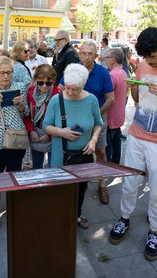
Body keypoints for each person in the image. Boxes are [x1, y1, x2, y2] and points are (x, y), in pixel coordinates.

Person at [109, 27, 157, 262]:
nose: (149, 60)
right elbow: (139, 100)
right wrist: (133, 90)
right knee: (129, 182)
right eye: (145, 57)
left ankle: (155, 231)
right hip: (138, 135)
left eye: (152, 56)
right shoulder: (141, 64)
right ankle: (124, 218)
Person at [43, 63, 103, 229]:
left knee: (80, 189)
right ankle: (59, 216)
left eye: (74, 89)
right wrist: (61, 132)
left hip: (83, 156)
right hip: (60, 156)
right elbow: (45, 125)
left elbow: (98, 124)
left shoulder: (91, 100)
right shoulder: (57, 100)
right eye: (67, 88)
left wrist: (93, 140)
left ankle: (76, 214)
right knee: (60, 189)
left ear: (84, 85)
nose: (69, 92)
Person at [59, 40, 114, 204]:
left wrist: (95, 114)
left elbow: (111, 98)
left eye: (90, 53)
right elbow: (61, 90)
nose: (86, 57)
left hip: (97, 117)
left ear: (96, 55)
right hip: (74, 116)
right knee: (75, 148)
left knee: (101, 151)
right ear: (79, 54)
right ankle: (75, 179)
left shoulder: (103, 72)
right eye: (83, 53)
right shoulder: (73, 70)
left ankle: (102, 182)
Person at [0, 56, 29, 231]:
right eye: (2, 72)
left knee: (14, 175)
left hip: (16, 140)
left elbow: (26, 114)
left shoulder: (20, 88)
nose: (6, 76)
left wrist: (20, 105)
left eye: (9, 72)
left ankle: (14, 208)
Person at [24, 64, 60, 169]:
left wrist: (49, 135)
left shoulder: (58, 95)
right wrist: (31, 131)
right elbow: (26, 114)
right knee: (37, 166)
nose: (44, 86)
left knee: (53, 167)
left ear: (53, 81)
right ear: (36, 79)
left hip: (53, 135)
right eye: (40, 82)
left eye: (48, 83)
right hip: (35, 133)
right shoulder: (30, 92)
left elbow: (60, 120)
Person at [105, 48, 127, 164]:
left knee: (108, 146)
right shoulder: (123, 72)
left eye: (107, 57)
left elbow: (108, 97)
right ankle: (115, 165)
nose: (106, 60)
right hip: (119, 116)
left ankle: (108, 167)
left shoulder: (112, 75)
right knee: (116, 143)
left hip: (110, 116)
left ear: (112, 60)